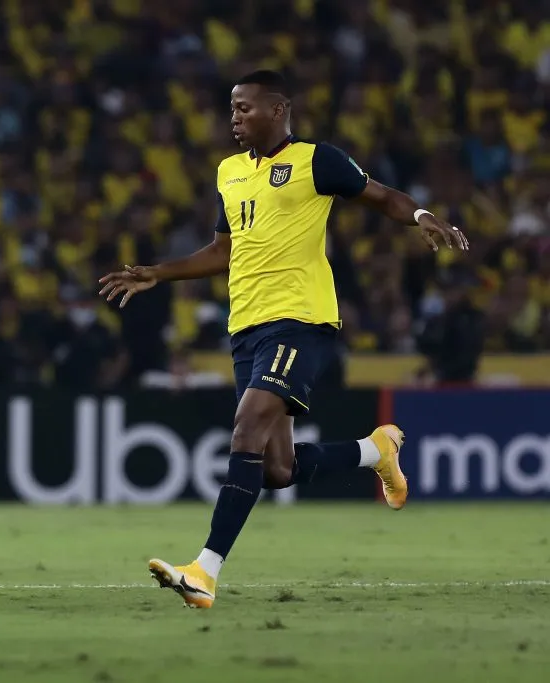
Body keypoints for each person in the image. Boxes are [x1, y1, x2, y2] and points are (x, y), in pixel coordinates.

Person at [97, 71, 469, 609]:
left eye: (245, 108)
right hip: (245, 327)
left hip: (299, 320)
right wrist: (159, 272)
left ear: (278, 110)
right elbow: (222, 251)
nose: (235, 119)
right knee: (277, 469)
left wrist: (419, 215)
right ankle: (375, 451)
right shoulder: (228, 173)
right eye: (231, 110)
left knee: (246, 428)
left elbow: (381, 195)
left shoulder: (316, 161)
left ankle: (204, 571)